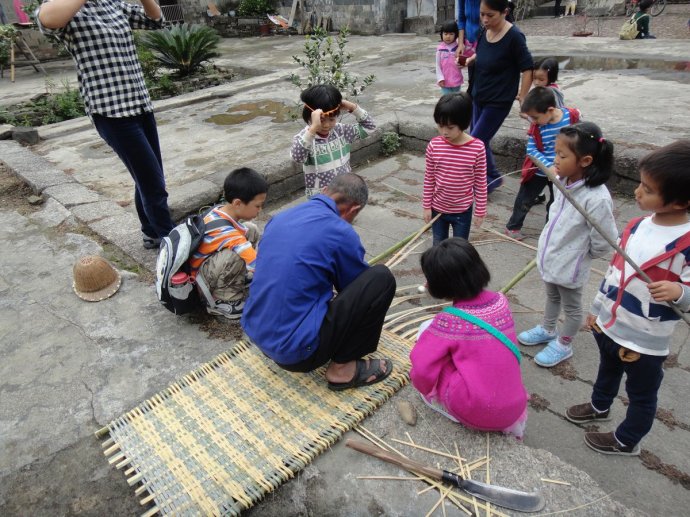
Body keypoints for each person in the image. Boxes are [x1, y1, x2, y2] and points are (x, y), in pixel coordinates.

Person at [566, 140, 690, 456]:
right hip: (611, 323)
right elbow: (614, 272)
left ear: (681, 201)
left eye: (648, 190)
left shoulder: (686, 244)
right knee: (606, 369)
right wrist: (596, 308)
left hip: (645, 341)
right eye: (640, 184)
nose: (637, 192)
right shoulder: (635, 227)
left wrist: (679, 292)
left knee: (641, 394)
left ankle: (627, 439)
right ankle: (599, 405)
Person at [37, 0, 175, 250]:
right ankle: (174, 246)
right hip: (110, 112)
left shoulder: (112, 4)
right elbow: (47, 19)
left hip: (140, 104)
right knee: (153, 183)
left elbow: (155, 21)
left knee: (147, 175)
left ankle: (151, 232)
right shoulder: (68, 9)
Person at [242, 173, 396, 390]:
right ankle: (342, 371)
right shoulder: (341, 232)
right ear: (353, 209)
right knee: (380, 279)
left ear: (325, 190)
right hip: (297, 354)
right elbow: (353, 289)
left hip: (257, 334)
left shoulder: (281, 217)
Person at [518, 122, 618, 367]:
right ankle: (548, 328)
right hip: (551, 256)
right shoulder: (563, 181)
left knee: (572, 308)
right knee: (552, 296)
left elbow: (605, 240)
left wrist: (580, 254)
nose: (556, 160)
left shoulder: (597, 198)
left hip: (571, 264)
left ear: (585, 161)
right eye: (556, 153)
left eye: (562, 155)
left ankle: (564, 344)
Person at [410, 238, 529, 438]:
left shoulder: (449, 322)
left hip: (478, 411)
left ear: (440, 283)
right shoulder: (501, 301)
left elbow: (422, 370)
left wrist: (423, 387)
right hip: (514, 406)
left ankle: (450, 407)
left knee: (425, 333)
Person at [464, 0, 533, 194]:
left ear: (504, 12)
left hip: (498, 100)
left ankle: (488, 179)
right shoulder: (483, 30)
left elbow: (528, 68)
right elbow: (482, 52)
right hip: (479, 94)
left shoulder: (515, 37)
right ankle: (492, 176)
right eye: (482, 14)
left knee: (474, 141)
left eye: (490, 15)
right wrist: (470, 59)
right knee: (480, 140)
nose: (485, 19)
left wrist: (523, 96)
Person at [187, 168, 268, 320]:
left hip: (206, 267)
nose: (260, 210)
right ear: (237, 203)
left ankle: (235, 277)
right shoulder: (226, 232)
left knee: (250, 229)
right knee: (235, 255)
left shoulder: (218, 211)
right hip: (201, 285)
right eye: (257, 206)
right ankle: (222, 300)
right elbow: (256, 263)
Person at [505, 86, 578, 240]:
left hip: (561, 173)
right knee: (525, 199)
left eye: (535, 117)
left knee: (555, 203)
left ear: (550, 110)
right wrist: (548, 166)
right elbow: (531, 151)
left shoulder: (571, 118)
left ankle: (549, 231)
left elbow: (580, 138)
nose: (532, 121)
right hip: (538, 171)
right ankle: (513, 226)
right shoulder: (538, 127)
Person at [290, 84, 375, 199]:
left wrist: (353, 108)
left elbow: (370, 127)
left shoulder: (341, 131)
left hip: (345, 191)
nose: (326, 125)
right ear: (309, 116)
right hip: (320, 198)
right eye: (320, 120)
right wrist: (313, 129)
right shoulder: (304, 138)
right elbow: (297, 157)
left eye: (331, 119)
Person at [423, 92, 487, 245]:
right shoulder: (434, 145)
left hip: (463, 211)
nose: (444, 132)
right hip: (438, 208)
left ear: (464, 123)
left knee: (460, 247)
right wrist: (426, 206)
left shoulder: (477, 148)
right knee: (438, 245)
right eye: (440, 126)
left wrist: (480, 210)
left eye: (450, 127)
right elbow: (429, 178)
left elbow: (480, 182)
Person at [436, 20, 463, 95]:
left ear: (456, 35)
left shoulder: (458, 48)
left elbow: (462, 63)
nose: (448, 36)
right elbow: (437, 66)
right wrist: (440, 78)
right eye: (445, 34)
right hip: (445, 82)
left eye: (451, 34)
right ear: (441, 34)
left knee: (456, 101)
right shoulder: (440, 49)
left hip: (456, 80)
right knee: (447, 101)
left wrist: (462, 63)